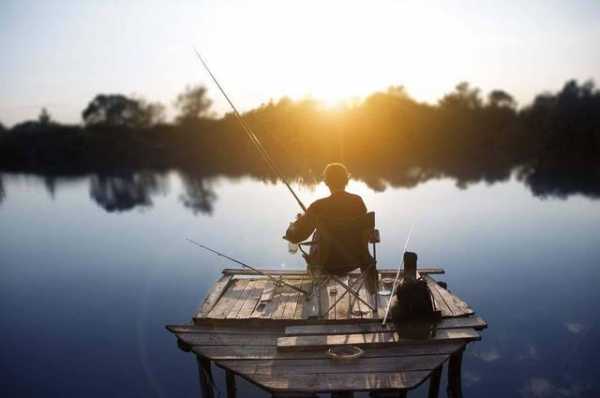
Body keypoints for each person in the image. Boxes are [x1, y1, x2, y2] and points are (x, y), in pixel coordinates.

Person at [285, 163, 376, 288]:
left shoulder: (318, 206)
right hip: (357, 260)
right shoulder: (357, 202)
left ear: (326, 182)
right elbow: (367, 232)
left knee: (317, 235)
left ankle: (318, 289)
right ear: (346, 180)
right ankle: (372, 291)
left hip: (326, 264)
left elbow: (294, 236)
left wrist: (299, 222)